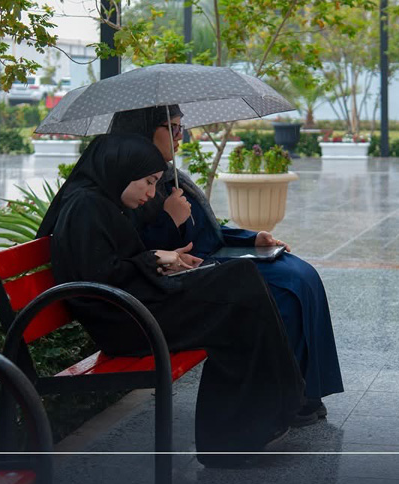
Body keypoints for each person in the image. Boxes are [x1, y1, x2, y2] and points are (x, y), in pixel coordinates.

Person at [36, 134, 304, 464]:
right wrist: (153, 260)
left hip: (134, 310)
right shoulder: (85, 207)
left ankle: (246, 427)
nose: (151, 193)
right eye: (148, 182)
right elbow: (100, 278)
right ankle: (263, 413)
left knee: (240, 285)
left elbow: (114, 266)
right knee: (238, 286)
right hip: (125, 324)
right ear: (123, 170)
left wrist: (166, 260)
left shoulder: (99, 202)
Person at [109, 106, 344, 426]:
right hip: (195, 272)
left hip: (215, 258)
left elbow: (207, 229)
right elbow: (140, 250)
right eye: (172, 128)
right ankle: (285, 398)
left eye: (181, 128)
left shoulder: (171, 176)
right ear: (144, 130)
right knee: (283, 290)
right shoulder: (130, 187)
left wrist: (251, 238)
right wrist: (169, 219)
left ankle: (308, 391)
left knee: (301, 274)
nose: (180, 136)